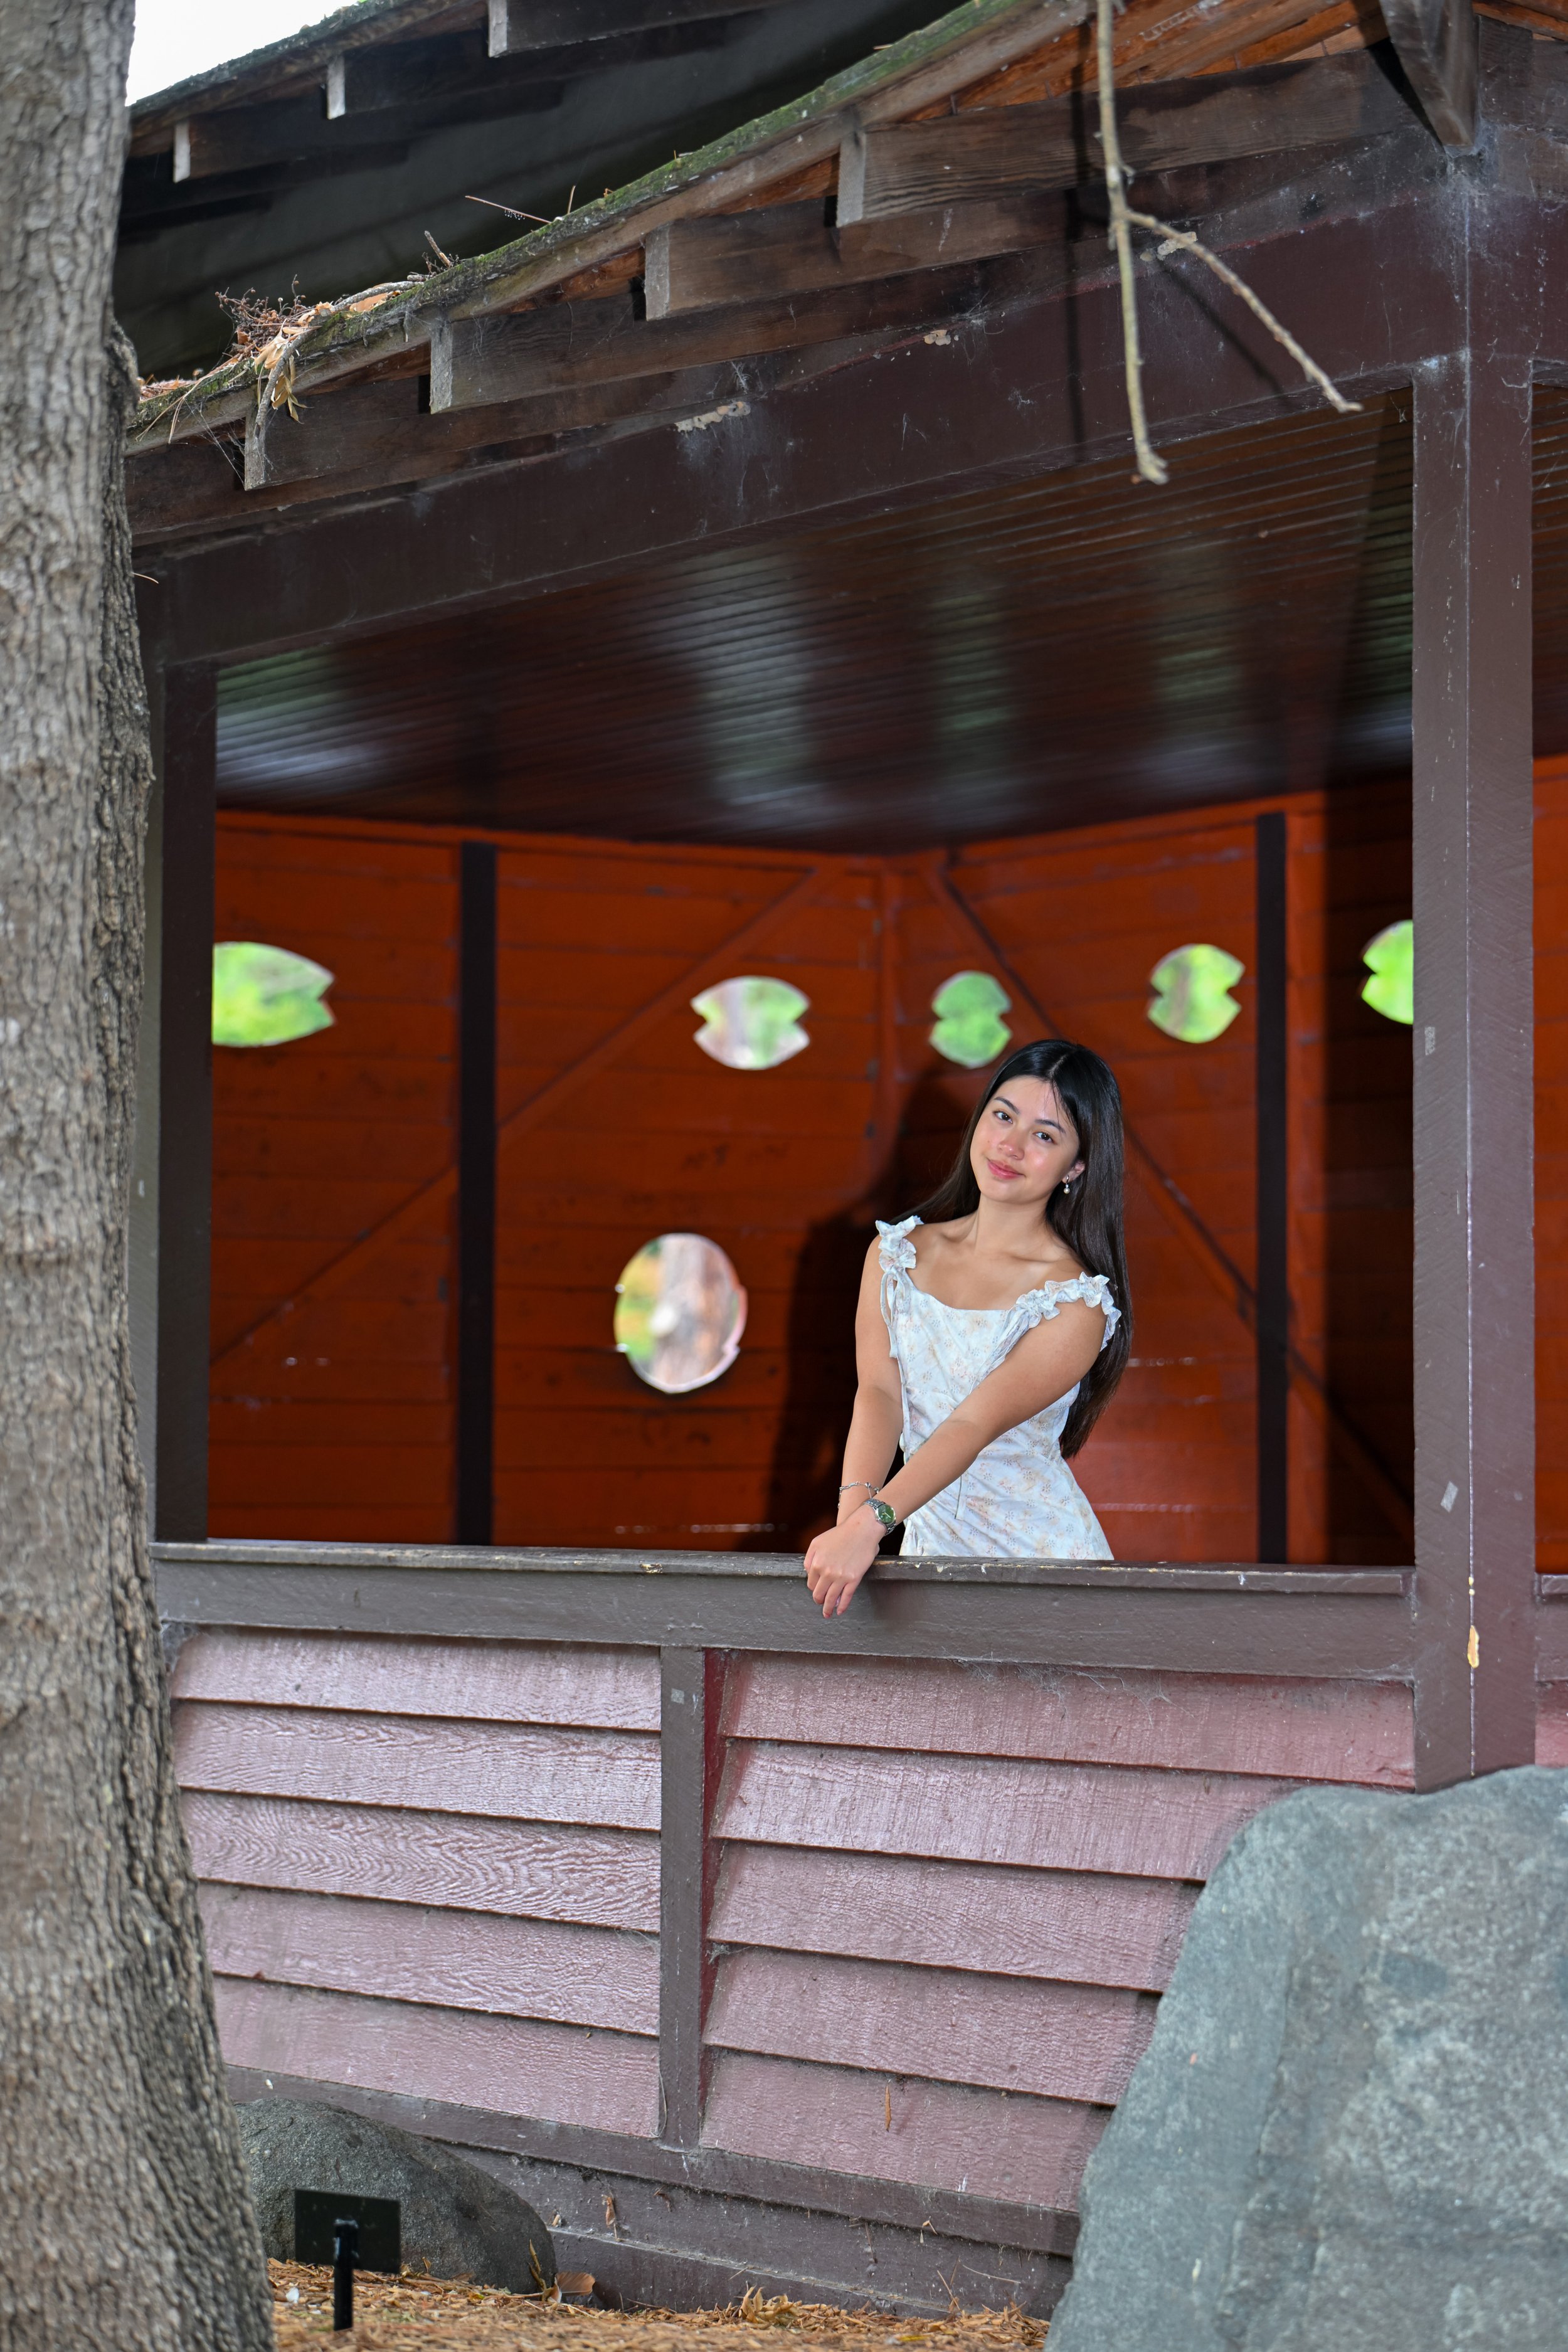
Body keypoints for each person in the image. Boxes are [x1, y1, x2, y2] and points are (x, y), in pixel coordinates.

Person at [803, 1038, 1130, 1617]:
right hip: (928, 1555)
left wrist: (872, 1526)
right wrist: (851, 1526)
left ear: (1075, 1167)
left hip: (1043, 1568)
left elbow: (971, 1424)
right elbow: (879, 1394)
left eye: (1045, 1135)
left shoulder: (1075, 1303)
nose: (1011, 1144)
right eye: (1003, 1115)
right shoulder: (894, 1253)